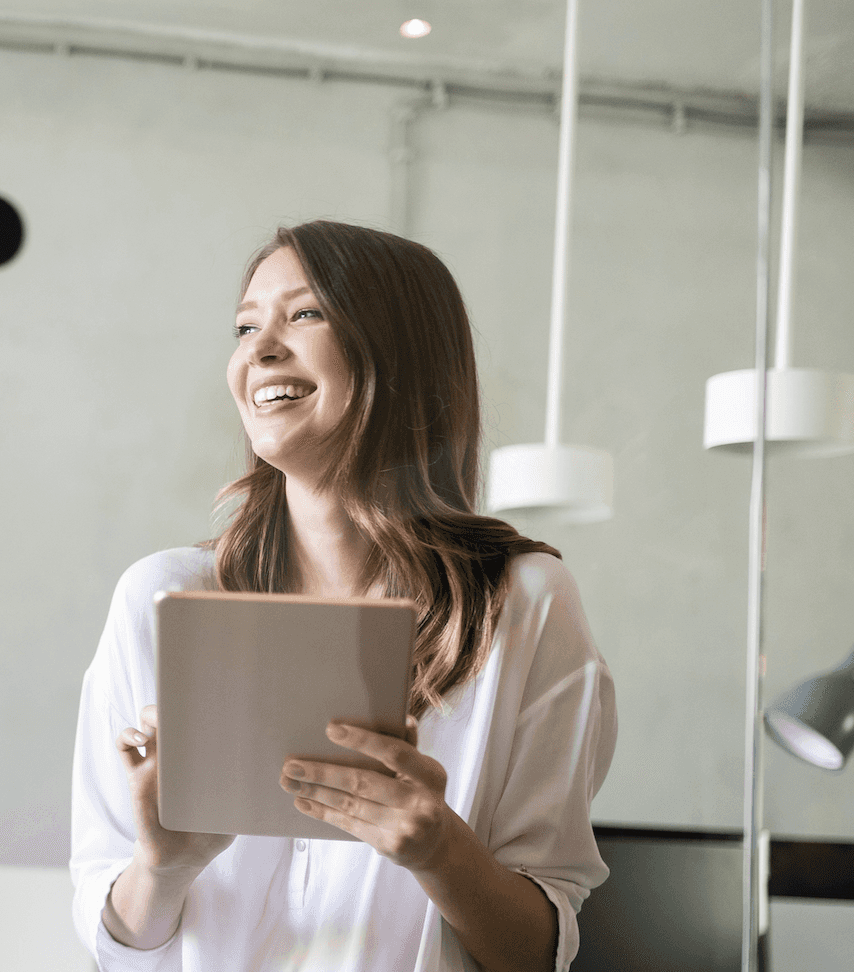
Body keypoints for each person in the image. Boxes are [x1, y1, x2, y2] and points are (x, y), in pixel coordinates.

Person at [70, 220, 617, 972]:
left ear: (400, 355)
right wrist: (164, 863)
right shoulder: (160, 600)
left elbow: (535, 955)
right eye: (245, 324)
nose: (259, 348)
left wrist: (437, 850)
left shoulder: (522, 603)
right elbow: (116, 944)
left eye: (304, 313)